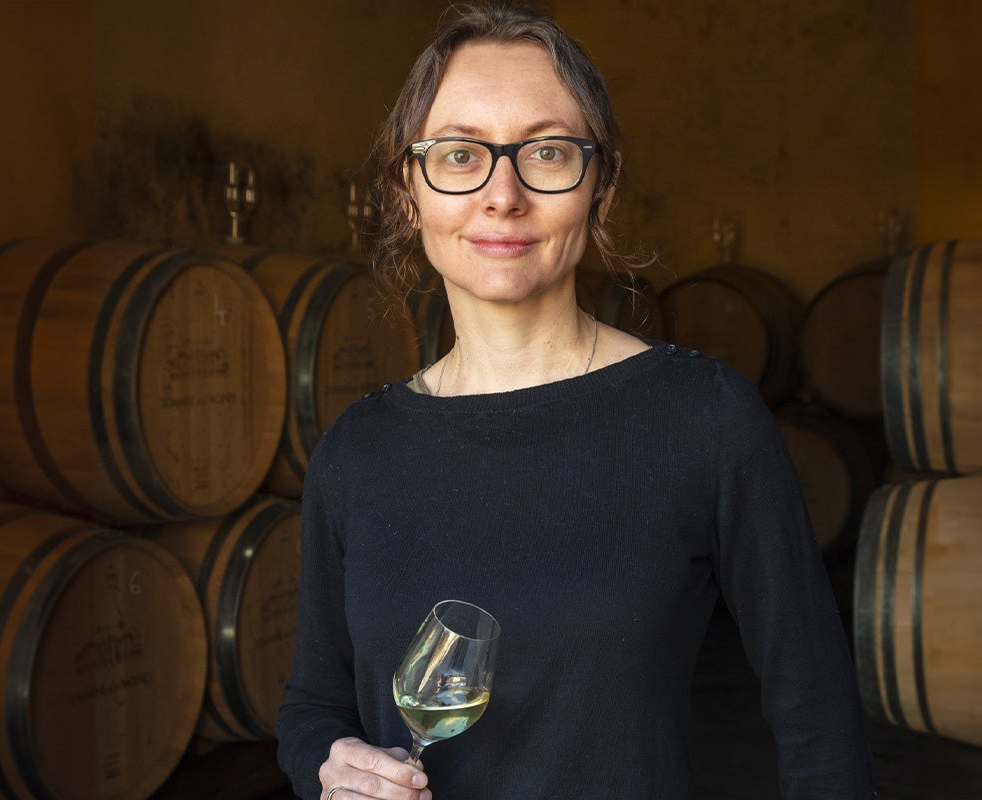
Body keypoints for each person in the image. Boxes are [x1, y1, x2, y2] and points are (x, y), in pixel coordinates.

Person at [276, 3, 876, 798]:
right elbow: (312, 706)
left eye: (548, 152)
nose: (502, 194)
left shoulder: (703, 419)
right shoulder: (356, 452)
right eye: (460, 154)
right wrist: (328, 762)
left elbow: (821, 728)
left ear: (603, 186)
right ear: (408, 190)